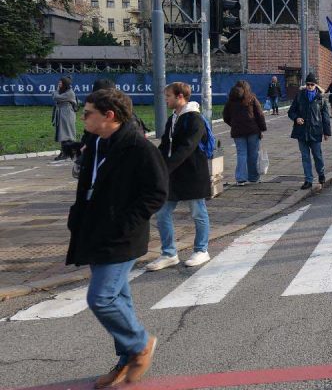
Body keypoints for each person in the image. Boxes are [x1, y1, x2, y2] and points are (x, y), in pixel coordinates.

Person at [68, 88, 166, 388]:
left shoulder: (138, 147)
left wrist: (125, 224)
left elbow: (157, 192)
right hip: (96, 231)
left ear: (109, 116)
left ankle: (140, 344)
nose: (82, 118)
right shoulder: (98, 142)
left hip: (121, 236)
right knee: (119, 299)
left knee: (101, 298)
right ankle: (126, 360)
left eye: (88, 113)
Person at [148, 82, 212, 271]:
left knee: (198, 212)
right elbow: (165, 146)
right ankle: (169, 253)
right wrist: (153, 162)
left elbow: (187, 148)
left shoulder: (194, 119)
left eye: (168, 96)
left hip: (193, 174)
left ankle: (202, 250)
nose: (165, 99)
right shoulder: (173, 118)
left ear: (180, 96)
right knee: (162, 213)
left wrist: (165, 168)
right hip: (174, 175)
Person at [288, 73, 332, 190]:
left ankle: (321, 174)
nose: (310, 87)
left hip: (315, 131)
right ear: (305, 85)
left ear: (315, 85)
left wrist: (326, 132)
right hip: (301, 132)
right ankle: (308, 180)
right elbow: (291, 111)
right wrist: (296, 118)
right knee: (305, 157)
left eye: (312, 84)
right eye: (308, 84)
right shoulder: (299, 96)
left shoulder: (320, 98)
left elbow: (325, 117)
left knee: (317, 156)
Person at [222, 80, 268, 186]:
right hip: (253, 130)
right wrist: (262, 129)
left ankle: (240, 178)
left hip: (237, 132)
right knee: (253, 154)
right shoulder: (251, 98)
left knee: (241, 154)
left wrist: (233, 125)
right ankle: (253, 178)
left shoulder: (231, 100)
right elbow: (259, 115)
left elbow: (225, 116)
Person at [52, 76, 78, 161]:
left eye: (61, 82)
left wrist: (56, 91)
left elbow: (56, 97)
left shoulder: (69, 93)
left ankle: (68, 152)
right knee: (63, 133)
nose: (59, 84)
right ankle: (65, 152)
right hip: (63, 113)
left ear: (65, 84)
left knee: (67, 134)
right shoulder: (64, 91)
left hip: (67, 114)